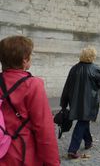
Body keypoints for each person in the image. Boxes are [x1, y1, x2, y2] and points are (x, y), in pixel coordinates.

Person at [0, 35, 60, 165]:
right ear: (24, 60)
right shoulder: (33, 85)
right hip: (21, 153)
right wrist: (52, 163)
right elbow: (44, 129)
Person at [60, 46, 100, 159]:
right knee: (82, 122)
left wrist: (64, 102)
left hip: (75, 101)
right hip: (89, 101)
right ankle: (72, 149)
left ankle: (88, 142)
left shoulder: (74, 68)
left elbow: (66, 86)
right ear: (92, 56)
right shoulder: (95, 69)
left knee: (84, 121)